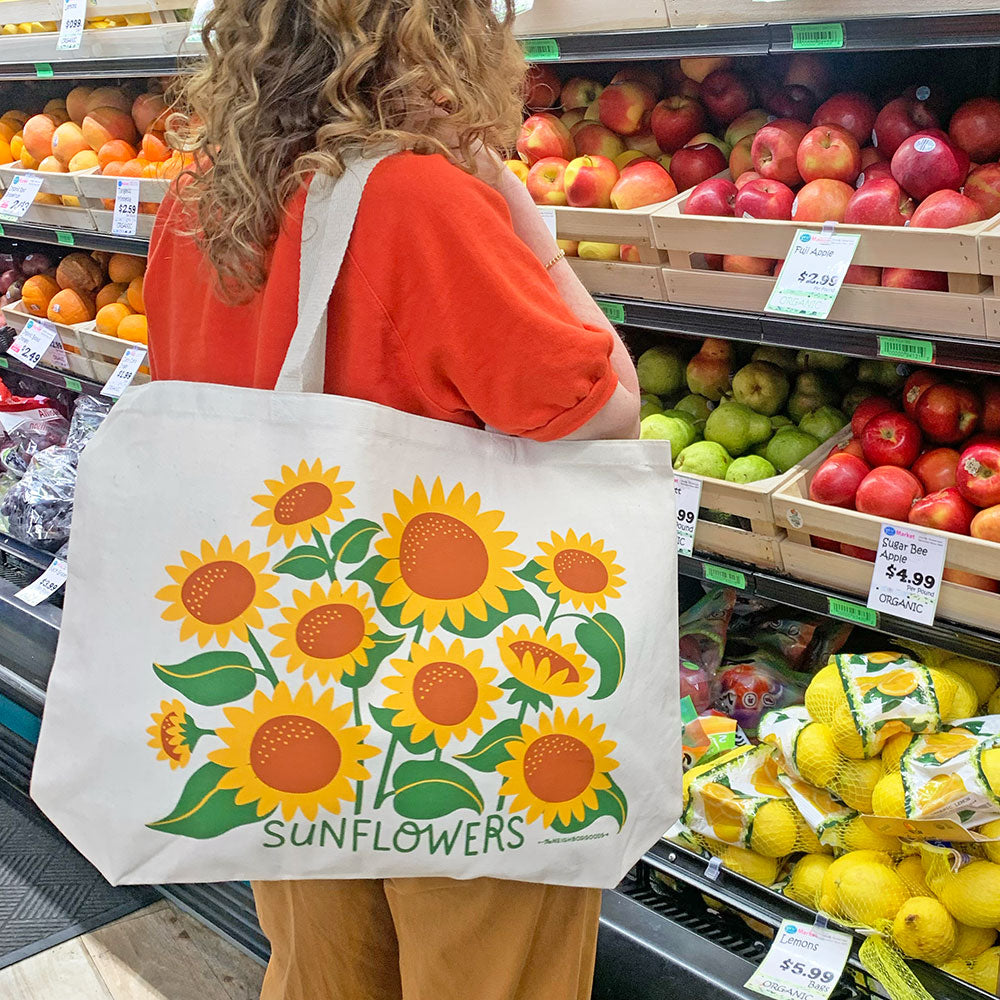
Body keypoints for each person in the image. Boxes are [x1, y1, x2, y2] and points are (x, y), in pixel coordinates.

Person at [144, 1, 640, 997]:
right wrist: (517, 212)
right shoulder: (422, 201)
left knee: (321, 971)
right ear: (442, 37)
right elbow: (602, 405)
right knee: (489, 972)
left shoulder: (198, 203)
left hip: (285, 689)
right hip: (459, 691)